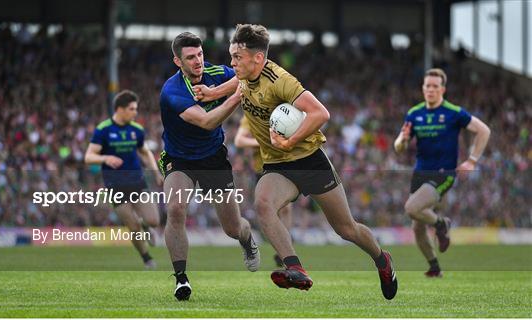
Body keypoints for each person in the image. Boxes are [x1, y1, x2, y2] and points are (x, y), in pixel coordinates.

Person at [194, 24, 397, 300]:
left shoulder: (280, 80)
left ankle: (382, 260)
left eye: (237, 58)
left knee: (346, 228)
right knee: (263, 204)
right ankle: (295, 268)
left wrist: (289, 142)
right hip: (278, 166)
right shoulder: (246, 75)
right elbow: (239, 84)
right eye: (232, 56)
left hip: (309, 160)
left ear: (258, 58)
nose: (232, 63)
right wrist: (213, 93)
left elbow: (320, 113)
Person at [159, 32, 260, 302]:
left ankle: (247, 238)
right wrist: (236, 98)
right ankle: (181, 278)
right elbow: (207, 121)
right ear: (177, 61)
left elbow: (246, 75)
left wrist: (233, 87)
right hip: (179, 158)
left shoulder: (218, 72)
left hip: (213, 157)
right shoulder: (172, 91)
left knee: (232, 228)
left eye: (200, 54)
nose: (198, 61)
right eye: (190, 57)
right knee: (175, 208)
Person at [394, 68, 491, 277]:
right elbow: (399, 147)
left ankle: (441, 224)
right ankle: (434, 267)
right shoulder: (414, 113)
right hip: (419, 174)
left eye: (435, 86)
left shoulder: (453, 112)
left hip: (443, 173)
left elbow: (484, 130)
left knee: (412, 208)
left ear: (443, 89)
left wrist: (472, 160)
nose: (430, 89)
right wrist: (402, 139)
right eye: (427, 86)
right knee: (417, 227)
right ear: (422, 88)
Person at [85, 90, 161, 269]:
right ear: (120, 109)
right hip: (115, 186)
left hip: (137, 182)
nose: (135, 113)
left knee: (153, 221)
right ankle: (147, 258)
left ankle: (145, 225)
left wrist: (155, 171)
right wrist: (105, 159)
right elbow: (89, 157)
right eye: (132, 109)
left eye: (136, 109)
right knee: (132, 227)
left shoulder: (136, 130)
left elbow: (145, 152)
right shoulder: (103, 130)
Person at [234, 115, 293, 267]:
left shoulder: (282, 114)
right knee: (270, 210)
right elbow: (240, 140)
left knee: (286, 209)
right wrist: (263, 143)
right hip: (263, 169)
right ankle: (280, 246)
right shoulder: (250, 117)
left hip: (283, 165)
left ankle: (284, 252)